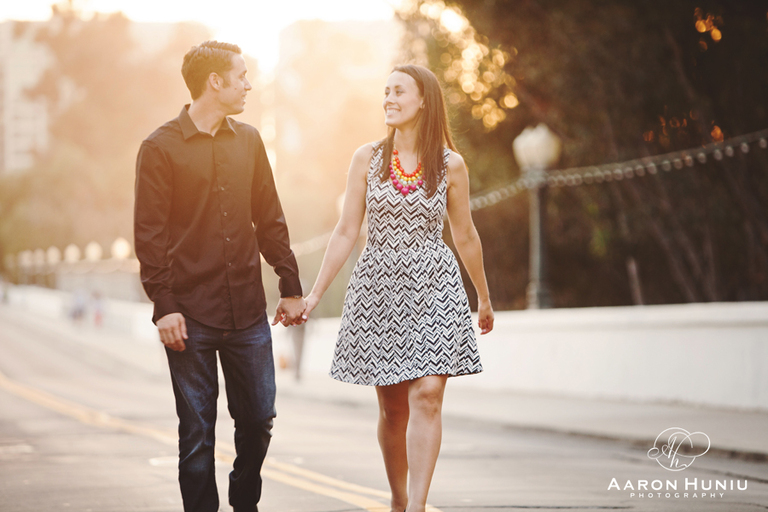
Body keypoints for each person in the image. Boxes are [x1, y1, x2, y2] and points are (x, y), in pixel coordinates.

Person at [302, 64, 494, 512]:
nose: (388, 98)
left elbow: (465, 234)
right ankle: (399, 498)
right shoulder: (366, 158)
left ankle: (419, 507)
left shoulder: (451, 165)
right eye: (385, 91)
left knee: (428, 392)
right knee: (393, 410)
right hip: (379, 289)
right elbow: (346, 231)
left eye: (398, 91)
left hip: (435, 285)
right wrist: (314, 294)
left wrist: (482, 296)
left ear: (423, 100)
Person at [134, 40, 305, 512]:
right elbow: (149, 237)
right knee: (196, 438)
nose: (248, 84)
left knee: (258, 420)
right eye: (241, 75)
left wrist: (289, 286)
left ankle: (243, 503)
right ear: (216, 81)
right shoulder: (159, 148)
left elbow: (270, 218)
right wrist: (163, 304)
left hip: (248, 312)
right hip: (190, 315)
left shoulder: (249, 140)